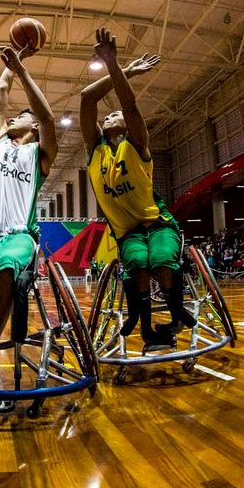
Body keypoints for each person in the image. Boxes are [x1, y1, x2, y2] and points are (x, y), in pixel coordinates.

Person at [0, 45, 57, 413]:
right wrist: (9, 69)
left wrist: (22, 71)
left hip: (19, 238)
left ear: (31, 127)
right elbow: (0, 96)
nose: (19, 119)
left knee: (5, 269)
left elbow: (48, 120)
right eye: (17, 116)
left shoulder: (41, 156)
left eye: (26, 118)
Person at [80, 27, 183, 350]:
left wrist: (112, 64)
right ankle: (148, 329)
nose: (111, 116)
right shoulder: (95, 151)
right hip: (128, 233)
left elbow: (130, 105)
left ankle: (177, 317)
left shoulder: (136, 143)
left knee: (163, 259)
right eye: (107, 115)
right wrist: (121, 69)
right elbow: (87, 98)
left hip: (157, 222)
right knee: (138, 263)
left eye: (116, 114)